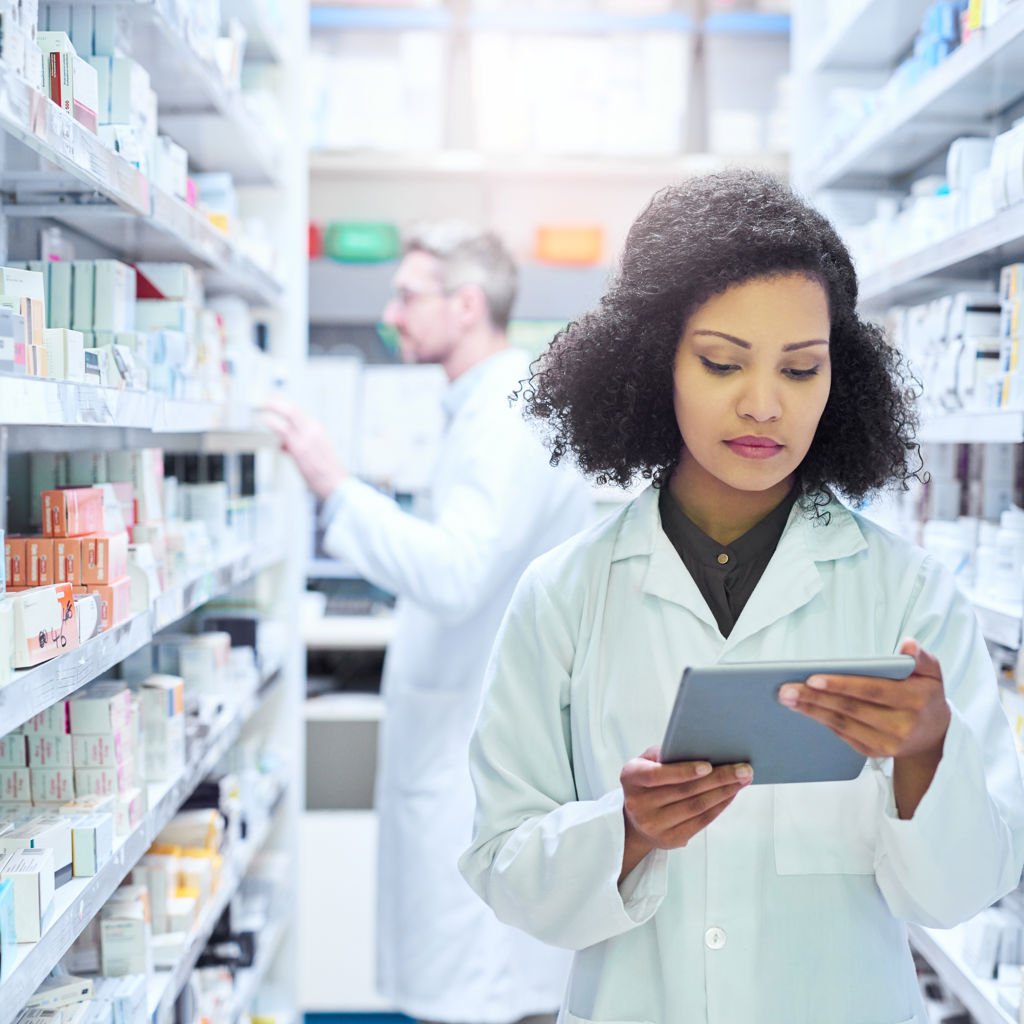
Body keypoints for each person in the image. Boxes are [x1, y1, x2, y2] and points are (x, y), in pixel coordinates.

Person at [458, 171, 1024, 1024]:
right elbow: (504, 867)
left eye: (801, 369)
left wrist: (924, 757)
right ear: (656, 362)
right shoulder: (565, 594)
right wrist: (627, 831)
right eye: (722, 362)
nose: (764, 404)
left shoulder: (906, 590)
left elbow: (962, 891)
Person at [265, 222, 591, 1024]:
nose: (391, 314)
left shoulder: (508, 415)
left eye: (409, 295)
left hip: (479, 753)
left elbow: (455, 573)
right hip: (467, 734)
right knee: (477, 977)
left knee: (481, 982)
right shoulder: (488, 406)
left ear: (467, 305)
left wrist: (334, 486)